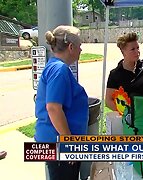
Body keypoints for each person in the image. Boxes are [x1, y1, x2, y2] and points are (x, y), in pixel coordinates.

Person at [35, 25, 88, 180]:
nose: (81, 50)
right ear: (71, 47)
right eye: (80, 46)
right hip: (60, 144)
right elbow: (53, 108)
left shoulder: (55, 67)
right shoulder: (59, 70)